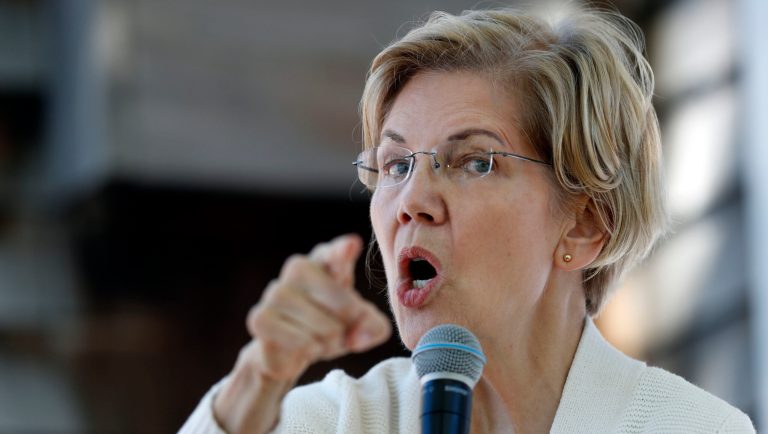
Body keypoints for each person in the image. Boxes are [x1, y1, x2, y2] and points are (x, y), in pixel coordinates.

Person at [180, 7, 755, 434]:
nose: (412, 198)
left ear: (584, 224)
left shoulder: (692, 428)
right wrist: (260, 375)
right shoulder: (333, 421)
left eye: (475, 162)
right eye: (396, 163)